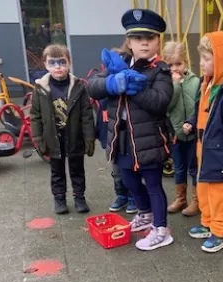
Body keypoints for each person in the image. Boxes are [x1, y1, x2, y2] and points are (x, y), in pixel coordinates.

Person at [87, 9, 174, 251]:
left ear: (158, 41)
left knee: (153, 184)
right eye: (138, 38)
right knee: (129, 180)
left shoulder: (160, 70)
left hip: (149, 139)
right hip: (122, 138)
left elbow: (160, 102)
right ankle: (145, 214)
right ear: (129, 41)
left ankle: (161, 229)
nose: (144, 42)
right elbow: (92, 87)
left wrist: (136, 87)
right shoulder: (119, 63)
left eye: (150, 37)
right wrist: (111, 83)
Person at [184, 32, 223, 253]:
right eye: (201, 58)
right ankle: (208, 223)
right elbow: (200, 110)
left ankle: (221, 233)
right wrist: (191, 122)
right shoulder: (208, 84)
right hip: (204, 150)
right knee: (204, 190)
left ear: (222, 60)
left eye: (206, 58)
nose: (201, 64)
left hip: (221, 155)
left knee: (220, 195)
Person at [30, 43, 95, 214]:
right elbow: (35, 115)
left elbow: (87, 114)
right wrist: (38, 138)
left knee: (77, 170)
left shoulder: (78, 86)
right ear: (45, 64)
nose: (57, 67)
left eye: (62, 62)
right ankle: (59, 199)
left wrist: (89, 137)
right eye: (52, 63)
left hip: (74, 137)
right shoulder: (41, 88)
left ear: (69, 63)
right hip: (53, 138)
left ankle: (79, 197)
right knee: (57, 171)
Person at [162, 41, 201, 216]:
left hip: (193, 134)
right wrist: (176, 85)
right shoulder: (165, 84)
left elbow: (200, 107)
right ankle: (180, 198)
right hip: (176, 134)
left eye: (178, 63)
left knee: (194, 168)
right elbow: (167, 106)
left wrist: (192, 124)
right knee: (179, 168)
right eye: (170, 65)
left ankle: (196, 200)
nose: (175, 68)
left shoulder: (196, 82)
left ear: (186, 62)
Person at [95, 96, 137, 214]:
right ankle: (121, 195)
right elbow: (103, 120)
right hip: (113, 140)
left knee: (130, 170)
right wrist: (104, 139)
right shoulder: (105, 100)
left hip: (129, 139)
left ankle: (133, 196)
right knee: (117, 172)